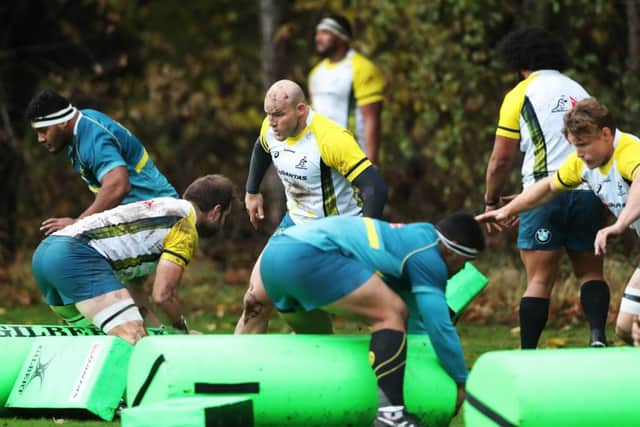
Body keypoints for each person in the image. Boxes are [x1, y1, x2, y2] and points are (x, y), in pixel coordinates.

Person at [260, 212, 485, 426]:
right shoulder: (430, 258)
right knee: (391, 313)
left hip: (273, 256)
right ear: (451, 251)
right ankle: (391, 414)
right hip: (306, 255)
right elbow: (440, 328)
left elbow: (418, 321)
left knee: (318, 343)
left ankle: (296, 406)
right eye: (465, 261)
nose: (462, 269)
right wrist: (462, 380)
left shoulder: (415, 239)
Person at [482, 28, 609, 348]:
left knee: (539, 279)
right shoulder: (580, 91)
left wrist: (491, 201)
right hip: (587, 190)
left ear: (519, 60)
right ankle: (597, 339)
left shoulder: (520, 94)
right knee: (591, 273)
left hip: (542, 194)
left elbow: (501, 159)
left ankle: (528, 353)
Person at [477, 98, 640, 345]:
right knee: (627, 329)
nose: (578, 154)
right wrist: (508, 210)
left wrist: (619, 225)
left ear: (606, 134)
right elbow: (547, 187)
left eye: (583, 145)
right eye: (574, 146)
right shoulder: (583, 163)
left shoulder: (628, 151)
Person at [235, 79, 387, 334]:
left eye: (279, 115)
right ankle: (234, 371)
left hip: (337, 230)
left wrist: (366, 238)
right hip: (295, 223)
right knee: (255, 300)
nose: (272, 122)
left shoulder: (331, 139)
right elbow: (261, 148)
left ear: (301, 110)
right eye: (268, 115)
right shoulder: (271, 128)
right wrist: (252, 192)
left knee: (372, 309)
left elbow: (375, 188)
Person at [25, 89, 179, 324]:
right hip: (146, 214)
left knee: (73, 257)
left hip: (158, 216)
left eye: (43, 131)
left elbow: (118, 185)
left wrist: (78, 224)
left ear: (64, 122)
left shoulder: (92, 137)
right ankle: (156, 341)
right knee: (133, 295)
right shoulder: (82, 127)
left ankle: (174, 338)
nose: (41, 139)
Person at [31, 174, 234, 344]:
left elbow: (134, 291)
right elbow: (164, 295)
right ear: (216, 212)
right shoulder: (185, 227)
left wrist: (161, 332)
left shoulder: (161, 207)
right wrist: (182, 332)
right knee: (133, 338)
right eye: (225, 217)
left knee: (92, 342)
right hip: (75, 256)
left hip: (46, 252)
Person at [308, 14, 385, 164]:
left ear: (341, 36)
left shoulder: (362, 68)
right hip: (321, 162)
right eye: (317, 33)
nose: (318, 38)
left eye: (325, 33)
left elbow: (372, 120)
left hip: (354, 161)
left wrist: (371, 169)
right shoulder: (315, 74)